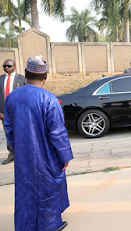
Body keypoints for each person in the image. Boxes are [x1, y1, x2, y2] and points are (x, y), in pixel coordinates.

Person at [4, 56, 73, 231]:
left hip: (23, 156)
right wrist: (64, 156)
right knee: (47, 189)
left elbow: (9, 130)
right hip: (46, 155)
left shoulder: (11, 98)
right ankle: (50, 226)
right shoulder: (49, 99)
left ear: (26, 74)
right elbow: (57, 132)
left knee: (25, 191)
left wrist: (18, 148)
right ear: (45, 76)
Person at [0, 59, 25, 165]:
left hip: (19, 113)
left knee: (20, 134)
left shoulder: (22, 79)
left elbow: (26, 96)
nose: (6, 68)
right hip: (4, 114)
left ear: (14, 66)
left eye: (8, 66)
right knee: (8, 134)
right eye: (4, 66)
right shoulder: (0, 79)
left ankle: (22, 156)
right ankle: (12, 154)